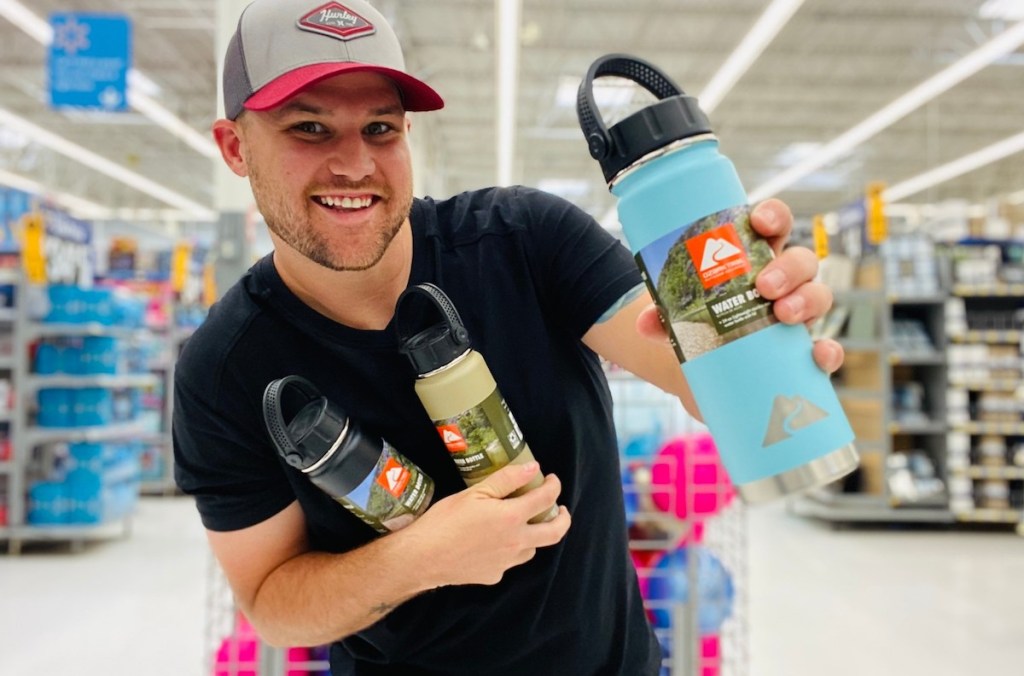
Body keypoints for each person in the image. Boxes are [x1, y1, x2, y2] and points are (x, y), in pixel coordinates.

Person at [173, 0, 844, 674]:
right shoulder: (224, 369)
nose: (354, 164)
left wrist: (763, 318)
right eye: (309, 127)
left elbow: (694, 374)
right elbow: (271, 601)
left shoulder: (526, 242)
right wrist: (419, 559)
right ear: (235, 146)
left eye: (380, 127)